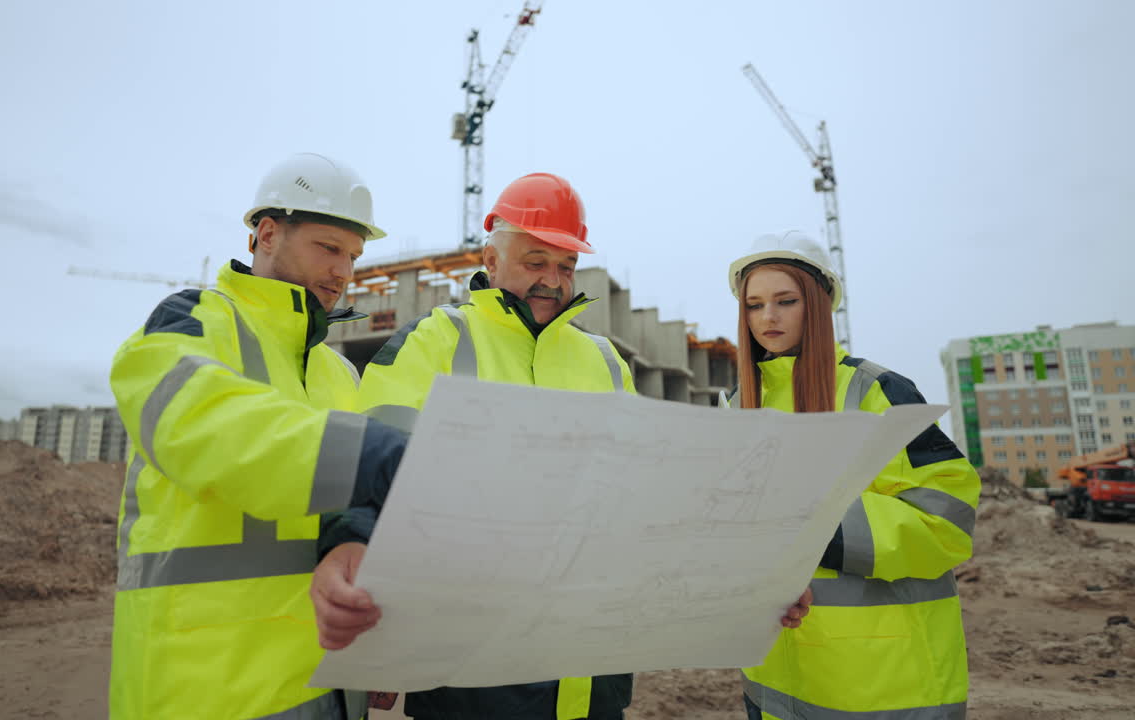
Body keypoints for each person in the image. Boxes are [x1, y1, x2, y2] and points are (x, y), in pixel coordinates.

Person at [310, 175, 812, 720]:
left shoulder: (602, 359)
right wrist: (350, 542)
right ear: (491, 260)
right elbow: (376, 463)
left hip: (592, 660)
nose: (553, 280)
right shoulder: (436, 341)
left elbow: (648, 497)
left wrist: (755, 578)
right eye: (535, 262)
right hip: (473, 663)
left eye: (566, 266)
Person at [108, 153, 406, 720]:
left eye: (353, 256)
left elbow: (354, 524)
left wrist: (378, 648)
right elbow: (197, 421)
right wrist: (370, 454)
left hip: (329, 680)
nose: (344, 272)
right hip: (207, 687)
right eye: (328, 247)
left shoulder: (338, 373)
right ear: (267, 234)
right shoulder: (193, 321)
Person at [725, 231, 979, 720]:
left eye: (785, 301)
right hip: (774, 678)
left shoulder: (877, 391)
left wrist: (806, 522)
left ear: (818, 305)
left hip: (885, 679)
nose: (768, 318)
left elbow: (947, 519)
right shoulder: (737, 405)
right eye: (754, 305)